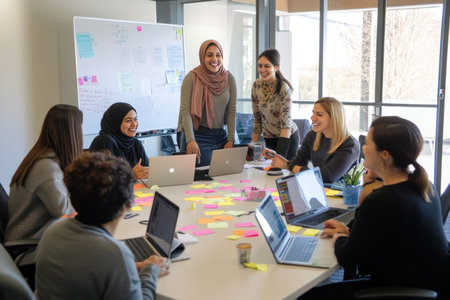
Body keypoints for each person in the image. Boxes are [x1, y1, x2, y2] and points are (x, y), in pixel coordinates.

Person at [301, 116, 450, 299]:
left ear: (384, 155)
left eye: (368, 143)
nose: (363, 147)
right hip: (429, 282)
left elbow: (347, 258)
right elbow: (381, 231)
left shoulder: (382, 200)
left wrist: (339, 237)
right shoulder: (425, 185)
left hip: (400, 289)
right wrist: (348, 230)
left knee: (308, 296)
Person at [35, 151, 170, 300]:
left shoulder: (53, 232)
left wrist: (136, 266)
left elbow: (88, 269)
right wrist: (151, 271)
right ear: (127, 204)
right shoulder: (114, 253)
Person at [5, 104, 82, 248]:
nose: (82, 134)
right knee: (101, 249)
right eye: (80, 129)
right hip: (29, 247)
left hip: (41, 239)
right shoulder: (46, 167)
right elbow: (63, 210)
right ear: (71, 134)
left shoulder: (46, 158)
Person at [270, 97, 359, 184]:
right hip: (319, 188)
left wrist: (287, 165)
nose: (312, 118)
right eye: (313, 113)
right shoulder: (312, 135)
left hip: (342, 195)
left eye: (319, 114)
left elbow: (327, 176)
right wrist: (284, 162)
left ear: (334, 118)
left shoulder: (350, 145)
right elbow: (298, 163)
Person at [177, 39, 236, 166]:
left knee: (227, 175)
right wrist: (191, 140)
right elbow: (185, 112)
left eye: (218, 55)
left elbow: (232, 111)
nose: (214, 59)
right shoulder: (192, 78)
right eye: (209, 55)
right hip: (198, 136)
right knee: (204, 178)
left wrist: (230, 139)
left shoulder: (229, 79)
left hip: (221, 136)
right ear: (202, 57)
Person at [251, 49, 299, 160]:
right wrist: (252, 147)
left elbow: (286, 125)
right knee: (266, 172)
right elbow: (257, 119)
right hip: (268, 138)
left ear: (276, 67)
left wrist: (280, 156)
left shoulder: (283, 89)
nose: (262, 70)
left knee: (282, 171)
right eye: (260, 66)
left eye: (267, 66)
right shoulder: (256, 85)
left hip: (287, 138)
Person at [89, 102, 149, 179]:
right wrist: (130, 175)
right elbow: (99, 179)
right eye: (128, 120)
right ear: (116, 123)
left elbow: (147, 170)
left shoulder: (136, 143)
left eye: (135, 119)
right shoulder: (104, 141)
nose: (134, 124)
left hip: (139, 190)